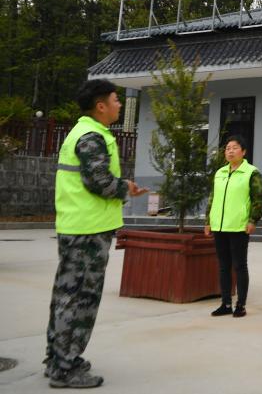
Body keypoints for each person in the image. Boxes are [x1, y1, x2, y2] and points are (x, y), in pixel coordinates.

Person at [45, 79, 149, 388]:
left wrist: (122, 186)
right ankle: (65, 367)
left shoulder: (86, 132)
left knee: (67, 294)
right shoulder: (91, 137)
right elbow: (99, 182)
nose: (120, 104)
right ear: (100, 106)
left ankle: (57, 358)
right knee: (80, 298)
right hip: (87, 231)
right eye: (116, 100)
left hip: (79, 226)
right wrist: (125, 188)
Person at [204, 135, 262, 318]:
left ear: (243, 152)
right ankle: (226, 304)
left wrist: (253, 220)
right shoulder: (220, 173)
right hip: (219, 226)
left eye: (235, 148)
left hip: (239, 226)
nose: (230, 151)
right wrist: (208, 221)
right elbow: (212, 198)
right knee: (223, 266)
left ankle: (241, 305)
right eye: (228, 148)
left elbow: (259, 198)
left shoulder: (251, 172)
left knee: (239, 265)